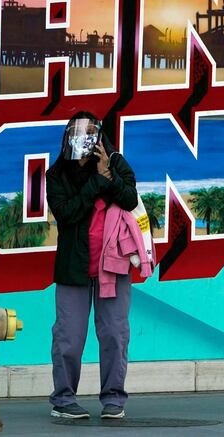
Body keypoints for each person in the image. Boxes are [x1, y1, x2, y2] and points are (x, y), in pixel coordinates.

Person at [45, 111, 139, 420]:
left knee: (114, 334)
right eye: (75, 135)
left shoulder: (115, 163)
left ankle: (113, 398)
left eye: (88, 135)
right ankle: (63, 399)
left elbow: (129, 199)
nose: (82, 141)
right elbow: (68, 213)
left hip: (113, 268)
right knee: (68, 338)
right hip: (74, 269)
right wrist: (97, 181)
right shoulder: (56, 175)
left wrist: (107, 174)